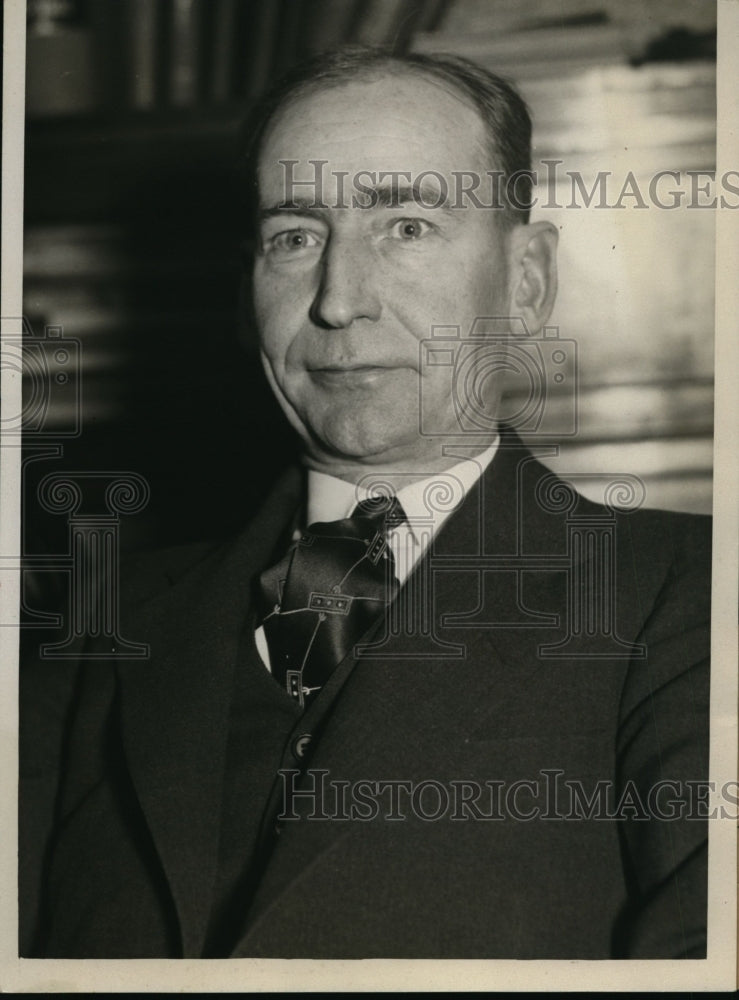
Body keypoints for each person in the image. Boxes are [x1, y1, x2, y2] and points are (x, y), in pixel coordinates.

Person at [20, 46, 710, 960]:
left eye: (408, 226)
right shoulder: (90, 622)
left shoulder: (687, 597)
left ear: (526, 280)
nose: (338, 302)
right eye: (294, 238)